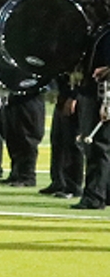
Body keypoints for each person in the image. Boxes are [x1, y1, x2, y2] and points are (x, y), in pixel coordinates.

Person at [72, 25, 110, 210]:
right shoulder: (103, 30)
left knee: (98, 148)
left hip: (100, 95)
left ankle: (95, 196)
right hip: (94, 93)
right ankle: (104, 192)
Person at [41, 70, 82, 199]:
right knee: (57, 139)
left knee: (71, 141)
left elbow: (81, 72)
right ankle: (58, 180)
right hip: (63, 92)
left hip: (74, 94)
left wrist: (74, 96)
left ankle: (73, 186)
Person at [0, 82, 45, 187]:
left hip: (30, 95)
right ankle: (17, 172)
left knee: (27, 137)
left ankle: (27, 176)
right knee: (13, 136)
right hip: (15, 94)